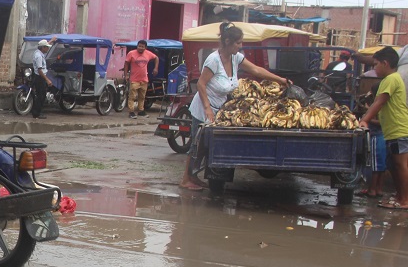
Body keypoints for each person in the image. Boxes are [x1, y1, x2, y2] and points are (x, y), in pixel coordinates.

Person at [180, 22, 291, 191]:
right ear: (227, 42)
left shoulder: (236, 58)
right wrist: (208, 108)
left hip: (219, 107)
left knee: (207, 146)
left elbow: (257, 70)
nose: (241, 46)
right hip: (203, 107)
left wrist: (281, 80)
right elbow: (201, 84)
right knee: (197, 144)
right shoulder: (213, 60)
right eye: (238, 43)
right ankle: (186, 179)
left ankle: (194, 177)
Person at [357, 46, 408, 209]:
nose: (374, 68)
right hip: (394, 130)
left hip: (399, 129)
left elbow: (379, 102)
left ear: (385, 63)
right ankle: (400, 197)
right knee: (393, 165)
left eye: (376, 64)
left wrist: (364, 120)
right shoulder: (392, 79)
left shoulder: (391, 79)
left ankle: (404, 200)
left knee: (400, 165)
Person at [123, 39, 159, 119]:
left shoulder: (148, 54)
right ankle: (131, 112)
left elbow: (156, 58)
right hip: (134, 79)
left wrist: (155, 68)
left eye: (142, 47)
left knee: (142, 96)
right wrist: (126, 75)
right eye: (139, 46)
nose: (140, 48)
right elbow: (126, 64)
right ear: (137, 46)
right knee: (132, 96)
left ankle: (141, 111)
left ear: (145, 47)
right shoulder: (131, 53)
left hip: (144, 79)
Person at [31, 37, 57, 120]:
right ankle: (36, 114)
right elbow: (40, 70)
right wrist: (47, 80)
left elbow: (46, 46)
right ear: (43, 48)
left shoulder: (38, 53)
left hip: (39, 77)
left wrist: (51, 41)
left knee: (41, 95)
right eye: (46, 47)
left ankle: (37, 113)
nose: (48, 48)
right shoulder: (39, 56)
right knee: (41, 95)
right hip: (40, 77)